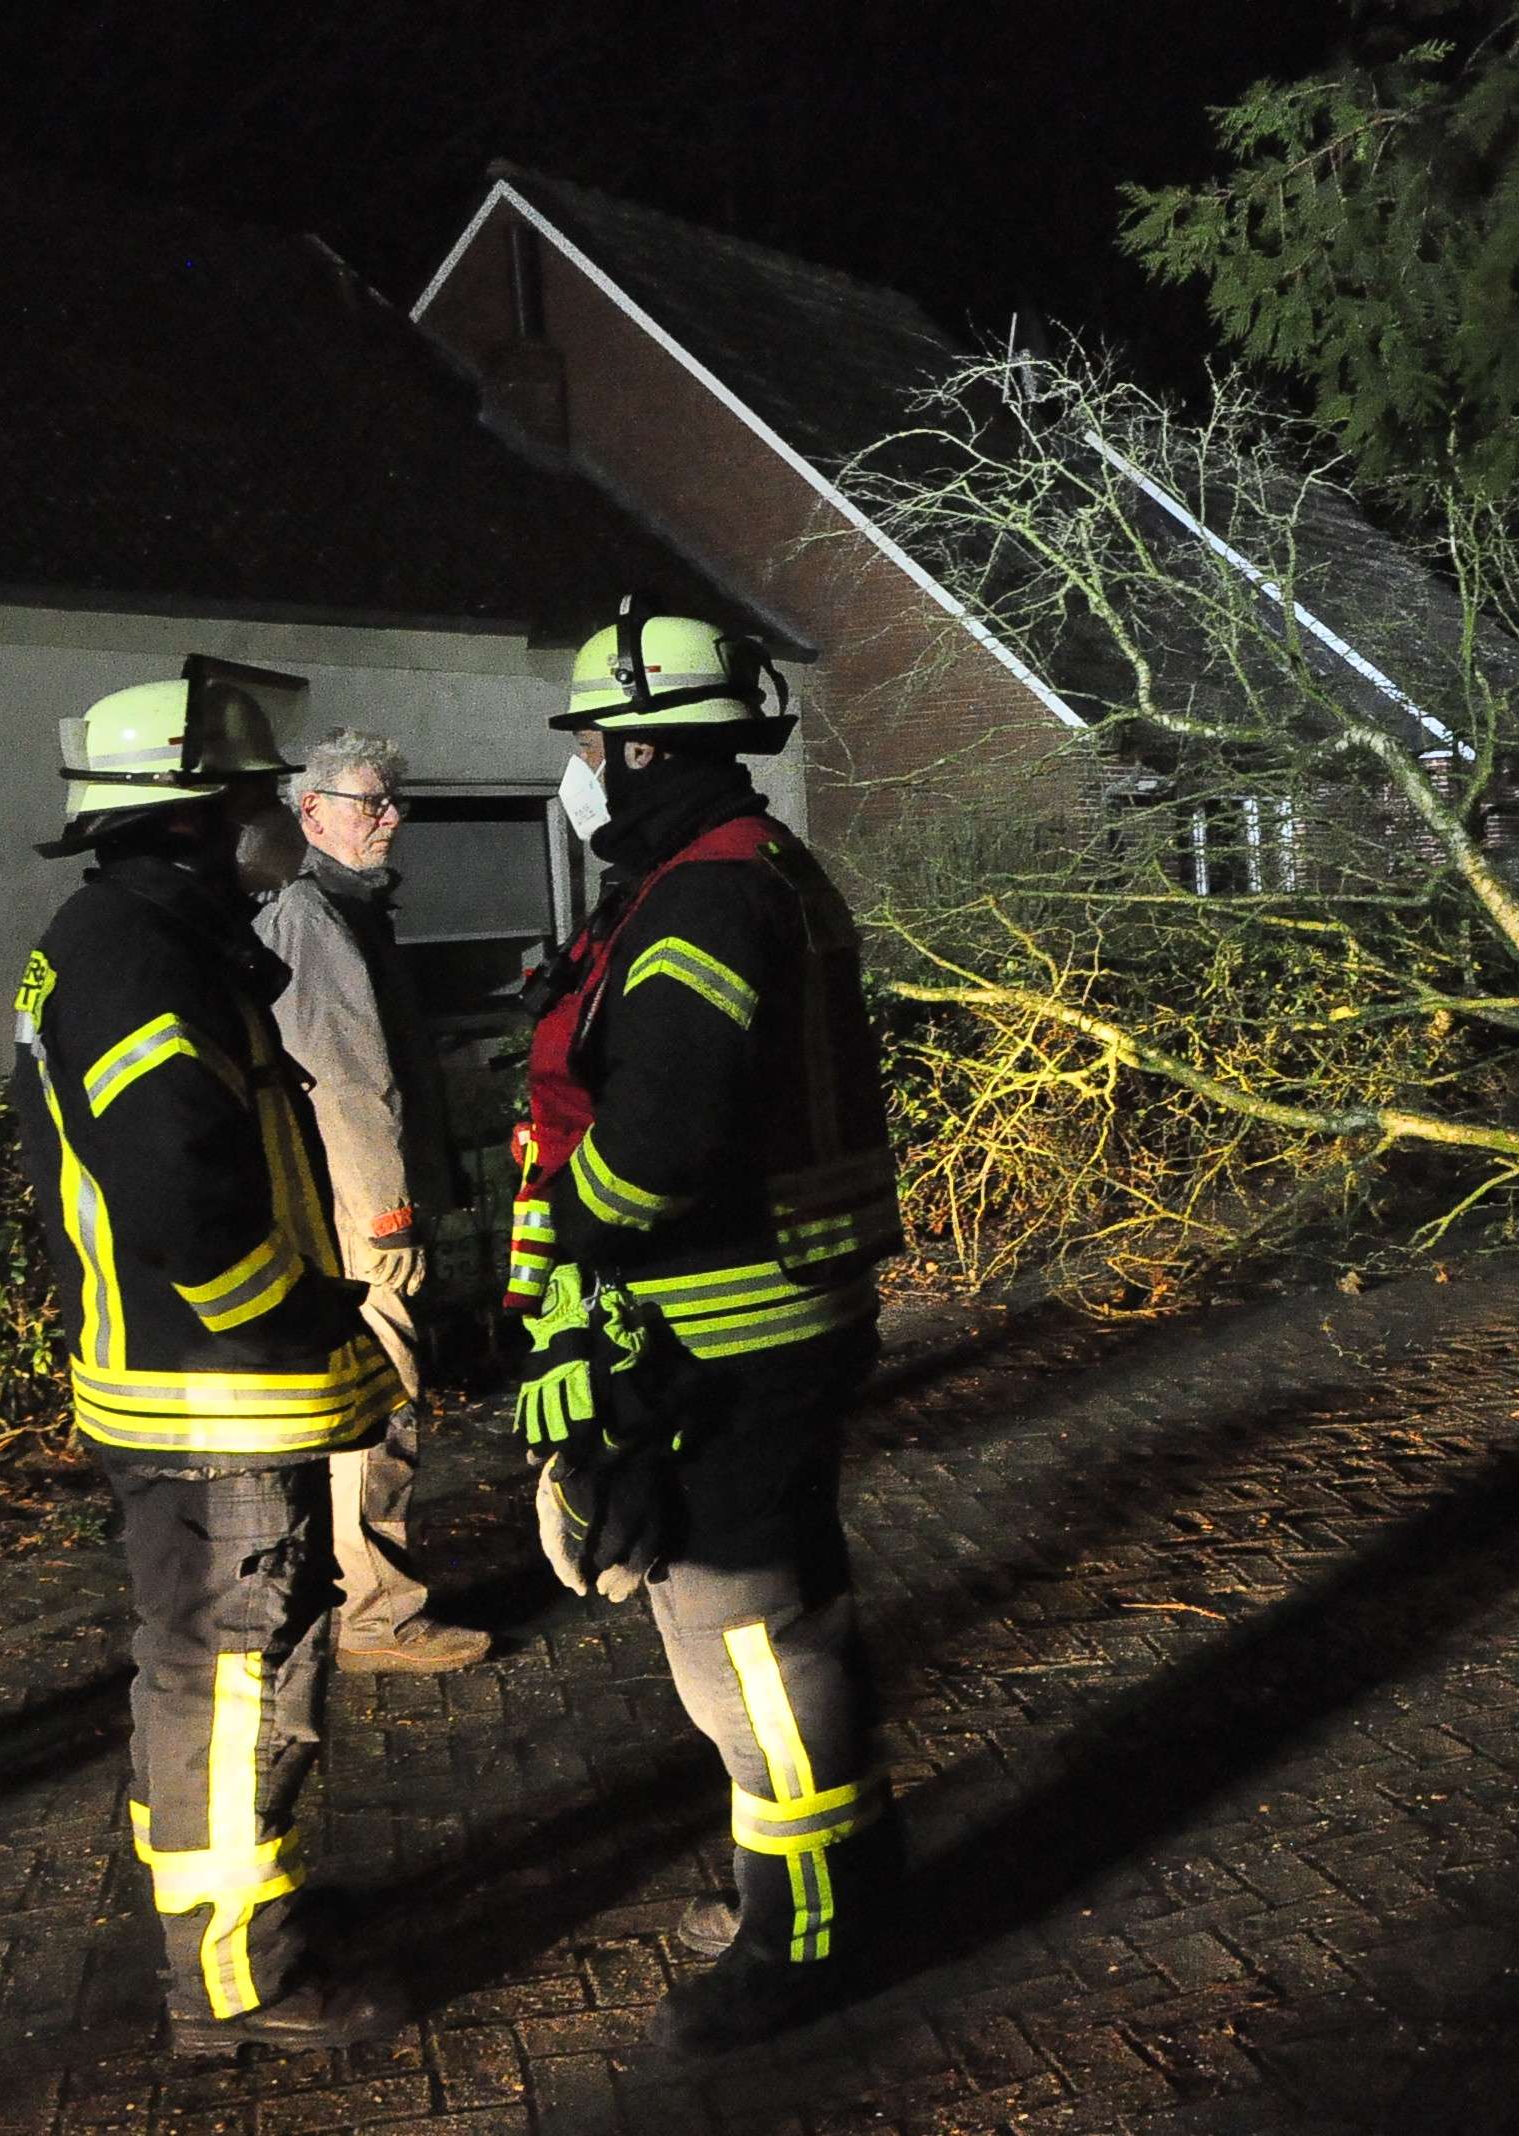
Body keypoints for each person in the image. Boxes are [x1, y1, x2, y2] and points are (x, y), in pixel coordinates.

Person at [509, 599, 904, 2052]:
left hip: (725, 1334)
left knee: (744, 1637)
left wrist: (580, 1252)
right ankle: (817, 1883)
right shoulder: (736, 872)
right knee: (789, 1621)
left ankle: (808, 1939)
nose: (590, 770)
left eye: (600, 744)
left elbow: (660, 1144)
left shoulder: (703, 896)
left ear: (634, 747)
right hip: (764, 1321)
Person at [10, 665, 409, 2054]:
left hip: (196, 1391)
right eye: (254, 798)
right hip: (212, 1397)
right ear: (191, 817)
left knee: (213, 1683)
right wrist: (302, 1315)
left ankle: (233, 1932)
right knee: (234, 1690)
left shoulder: (132, 937)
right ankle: (241, 1988)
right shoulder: (140, 959)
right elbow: (184, 1199)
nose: (277, 817)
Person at [252, 729, 487, 1673]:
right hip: (359, 1210)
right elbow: (345, 1082)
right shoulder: (315, 918)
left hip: (355, 1201)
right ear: (312, 813)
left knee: (362, 1400)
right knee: (381, 1399)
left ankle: (346, 1594)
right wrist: (389, 1215)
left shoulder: (344, 911)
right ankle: (374, 1613)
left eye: (393, 801)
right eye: (367, 802)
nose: (389, 817)